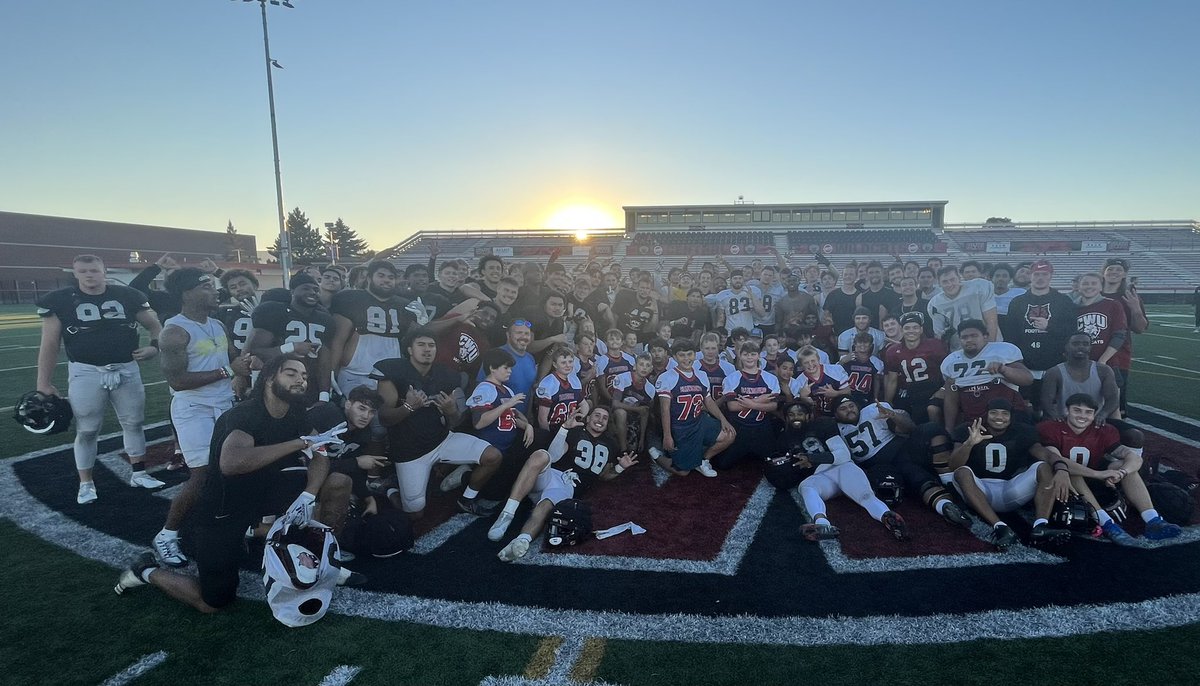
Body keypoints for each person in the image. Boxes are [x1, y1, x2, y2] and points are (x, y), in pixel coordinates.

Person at [114, 355, 354, 612]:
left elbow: (319, 452)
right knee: (214, 601)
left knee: (338, 482)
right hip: (224, 508)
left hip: (264, 493)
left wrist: (309, 493)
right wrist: (298, 443)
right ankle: (145, 570)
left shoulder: (295, 412)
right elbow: (232, 463)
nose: (301, 380)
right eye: (291, 373)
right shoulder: (245, 414)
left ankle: (323, 558)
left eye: (304, 376)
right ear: (270, 378)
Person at [36, 254, 165, 503]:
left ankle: (139, 473)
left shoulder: (128, 295)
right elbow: (50, 344)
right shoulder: (60, 300)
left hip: (126, 368)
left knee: (134, 422)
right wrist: (43, 382)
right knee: (87, 429)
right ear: (75, 273)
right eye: (83, 271)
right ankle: (86, 483)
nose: (89, 275)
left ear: (104, 271)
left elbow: (155, 325)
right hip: (86, 371)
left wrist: (154, 346)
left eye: (94, 270)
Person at [151, 269, 252, 567]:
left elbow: (233, 357)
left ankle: (223, 527)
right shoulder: (174, 332)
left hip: (224, 404)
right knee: (203, 474)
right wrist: (228, 371)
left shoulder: (216, 323)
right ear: (186, 294)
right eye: (206, 286)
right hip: (194, 408)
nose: (216, 290)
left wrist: (247, 363)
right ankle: (167, 534)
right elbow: (178, 381)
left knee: (233, 469)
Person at [374, 327, 503, 518]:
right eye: (421, 344)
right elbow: (384, 418)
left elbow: (455, 421)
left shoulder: (445, 374)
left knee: (493, 456)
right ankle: (392, 491)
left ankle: (466, 500)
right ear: (409, 349)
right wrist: (408, 407)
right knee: (415, 514)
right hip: (410, 451)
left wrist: (451, 411)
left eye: (431, 345)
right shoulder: (394, 370)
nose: (427, 349)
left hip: (441, 439)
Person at [490, 407, 638, 561]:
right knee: (540, 455)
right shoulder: (575, 431)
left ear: (608, 423)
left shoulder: (611, 444)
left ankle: (522, 541)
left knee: (545, 506)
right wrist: (564, 429)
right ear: (588, 418)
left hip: (568, 485)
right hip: (549, 475)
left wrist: (620, 468)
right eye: (597, 415)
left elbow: (604, 476)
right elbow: (553, 456)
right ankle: (506, 515)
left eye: (605, 418)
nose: (600, 420)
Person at [1037, 394, 1182, 544]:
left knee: (1122, 465)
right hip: (1063, 482)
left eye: (1088, 412)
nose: (1082, 416)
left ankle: (1152, 520)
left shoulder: (1103, 430)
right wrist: (1097, 474)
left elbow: (1134, 457)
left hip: (1094, 479)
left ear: (1094, 415)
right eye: (1077, 410)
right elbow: (1056, 460)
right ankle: (1107, 524)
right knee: (1071, 471)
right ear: (1067, 410)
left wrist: (1122, 473)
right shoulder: (1051, 428)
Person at [945, 398, 1070, 549]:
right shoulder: (969, 429)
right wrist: (969, 444)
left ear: (1011, 417)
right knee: (962, 472)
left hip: (1011, 489)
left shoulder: (1022, 432)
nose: (999, 417)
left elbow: (1045, 454)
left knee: (1044, 467)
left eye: (1005, 413)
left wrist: (1062, 469)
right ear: (986, 414)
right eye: (994, 412)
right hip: (979, 490)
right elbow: (953, 465)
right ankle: (1000, 527)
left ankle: (1040, 526)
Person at [833, 398, 967, 527]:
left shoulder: (872, 411)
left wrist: (893, 415)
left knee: (931, 428)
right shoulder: (834, 429)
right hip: (877, 465)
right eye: (843, 408)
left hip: (903, 449)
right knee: (909, 479)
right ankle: (944, 506)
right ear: (836, 414)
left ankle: (947, 480)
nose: (849, 410)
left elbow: (910, 428)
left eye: (851, 406)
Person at [792, 404, 910, 542]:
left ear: (809, 415)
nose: (796, 418)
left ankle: (886, 516)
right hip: (822, 475)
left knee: (866, 496)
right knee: (806, 486)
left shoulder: (824, 425)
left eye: (800, 413)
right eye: (791, 414)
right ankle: (822, 525)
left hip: (844, 467)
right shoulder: (786, 437)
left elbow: (843, 454)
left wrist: (813, 459)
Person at [245, 274, 336, 404]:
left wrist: (324, 397)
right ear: (292, 291)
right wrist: (291, 347)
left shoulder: (325, 319)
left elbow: (324, 363)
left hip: (309, 386)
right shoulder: (275, 313)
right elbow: (256, 351)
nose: (312, 292)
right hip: (277, 386)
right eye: (306, 288)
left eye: (316, 290)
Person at [328, 260, 415, 394]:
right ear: (369, 278)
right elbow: (338, 340)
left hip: (389, 374)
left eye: (391, 277)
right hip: (354, 372)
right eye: (381, 275)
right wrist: (331, 372)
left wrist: (422, 321)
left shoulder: (404, 305)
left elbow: (411, 340)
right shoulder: (350, 299)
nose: (386, 280)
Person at [655, 341, 736, 477]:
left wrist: (723, 420)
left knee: (729, 434)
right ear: (674, 357)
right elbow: (665, 409)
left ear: (695, 354)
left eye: (689, 354)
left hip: (699, 421)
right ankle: (657, 456)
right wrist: (667, 435)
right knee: (683, 471)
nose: (686, 358)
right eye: (682, 355)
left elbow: (708, 401)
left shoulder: (701, 375)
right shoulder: (666, 377)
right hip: (680, 427)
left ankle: (703, 460)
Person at [1004, 259, 1078, 405]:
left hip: (1054, 362)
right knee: (1025, 405)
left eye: (1044, 274)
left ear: (1050, 276)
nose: (1040, 278)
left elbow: (1071, 331)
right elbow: (1010, 334)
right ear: (1030, 276)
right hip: (1025, 363)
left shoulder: (1064, 301)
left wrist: (1049, 326)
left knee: (1052, 404)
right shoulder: (1017, 302)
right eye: (1036, 274)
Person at [940, 319, 1032, 432]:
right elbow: (951, 399)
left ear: (985, 336)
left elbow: (1027, 379)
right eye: (964, 337)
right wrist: (949, 428)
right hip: (973, 418)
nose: (969, 340)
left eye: (974, 336)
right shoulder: (951, 361)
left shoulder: (1002, 351)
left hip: (1007, 414)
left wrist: (1004, 369)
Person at [714, 342, 780, 470]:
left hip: (762, 428)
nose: (749, 357)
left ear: (759, 356)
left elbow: (773, 406)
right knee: (722, 464)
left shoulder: (770, 378)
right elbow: (732, 406)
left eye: (753, 354)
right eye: (746, 354)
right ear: (740, 355)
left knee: (774, 462)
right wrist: (758, 400)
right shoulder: (732, 378)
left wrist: (751, 404)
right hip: (740, 427)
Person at [1039, 333, 1121, 425]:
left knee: (1132, 432)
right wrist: (1055, 416)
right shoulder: (1054, 372)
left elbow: (1113, 398)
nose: (1081, 347)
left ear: (1090, 347)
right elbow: (1046, 401)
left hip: (1095, 420)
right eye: (1075, 343)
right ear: (1066, 347)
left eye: (1085, 344)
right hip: (1065, 421)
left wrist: (1103, 414)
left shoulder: (1104, 371)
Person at [883, 312, 947, 425]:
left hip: (934, 388)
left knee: (932, 411)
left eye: (915, 327)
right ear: (901, 329)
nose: (911, 331)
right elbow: (892, 380)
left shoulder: (935, 345)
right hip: (912, 391)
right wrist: (887, 402)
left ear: (921, 329)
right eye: (907, 328)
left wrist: (943, 389)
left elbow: (949, 372)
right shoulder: (893, 351)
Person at [928, 265, 999, 350]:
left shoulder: (978, 288)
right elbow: (939, 335)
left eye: (952, 279)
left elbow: (991, 321)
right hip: (959, 350)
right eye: (945, 281)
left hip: (986, 343)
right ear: (939, 283)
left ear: (959, 278)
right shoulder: (935, 304)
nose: (950, 284)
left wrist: (990, 348)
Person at [1074, 273, 1129, 369]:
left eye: (1094, 283)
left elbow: (1119, 335)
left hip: (1107, 364)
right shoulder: (1071, 307)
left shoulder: (1113, 305)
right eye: (1085, 283)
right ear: (1079, 287)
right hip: (1077, 363)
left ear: (1101, 287)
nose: (1089, 286)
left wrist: (1103, 360)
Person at [534, 345, 589, 433]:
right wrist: (548, 436)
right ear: (555, 364)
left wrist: (578, 418)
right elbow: (542, 419)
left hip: (570, 428)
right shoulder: (547, 383)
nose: (568, 365)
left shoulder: (574, 380)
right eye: (563, 362)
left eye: (570, 362)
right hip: (552, 429)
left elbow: (584, 405)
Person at [610, 352, 656, 454]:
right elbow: (615, 404)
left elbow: (645, 413)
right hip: (616, 415)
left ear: (651, 369)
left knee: (633, 448)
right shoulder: (622, 378)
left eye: (647, 365)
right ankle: (623, 451)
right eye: (641, 364)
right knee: (621, 413)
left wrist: (642, 439)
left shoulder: (650, 389)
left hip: (634, 419)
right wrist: (637, 409)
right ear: (635, 366)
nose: (644, 368)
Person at [796, 345, 850, 417]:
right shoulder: (799, 382)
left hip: (840, 414)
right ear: (801, 365)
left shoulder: (835, 370)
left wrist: (836, 393)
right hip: (816, 418)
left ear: (818, 359)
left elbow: (848, 392)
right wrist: (803, 398)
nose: (810, 364)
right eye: (806, 362)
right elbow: (797, 409)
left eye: (813, 361)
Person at [709, 269, 765, 336]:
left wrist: (752, 295)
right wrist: (720, 333)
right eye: (735, 278)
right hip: (730, 331)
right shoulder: (722, 295)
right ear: (731, 280)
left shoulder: (752, 291)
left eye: (740, 278)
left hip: (748, 330)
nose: (738, 280)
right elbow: (721, 319)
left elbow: (762, 313)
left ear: (743, 279)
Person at [841, 332, 884, 407]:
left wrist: (875, 397)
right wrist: (842, 362)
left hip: (865, 396)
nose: (863, 345)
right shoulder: (845, 358)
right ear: (854, 344)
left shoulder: (876, 362)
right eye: (860, 342)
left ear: (871, 345)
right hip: (847, 395)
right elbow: (835, 374)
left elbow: (876, 381)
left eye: (866, 342)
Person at [856, 261, 900, 328]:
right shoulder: (861, 297)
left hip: (889, 332)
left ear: (882, 273)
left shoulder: (893, 293)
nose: (874, 275)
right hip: (869, 333)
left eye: (877, 272)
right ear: (867, 275)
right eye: (871, 272)